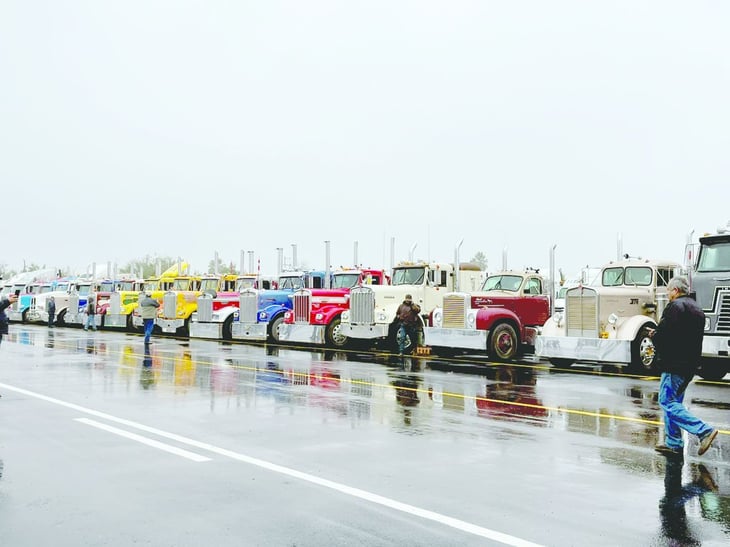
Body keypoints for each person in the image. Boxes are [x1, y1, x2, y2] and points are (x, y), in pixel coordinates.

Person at [650, 276, 718, 458]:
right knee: (675, 403)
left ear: (675, 291)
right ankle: (674, 443)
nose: (667, 294)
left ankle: (704, 431)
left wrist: (654, 334)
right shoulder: (697, 309)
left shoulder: (674, 307)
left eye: (668, 291)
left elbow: (664, 335)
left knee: (667, 402)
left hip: (673, 364)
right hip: (689, 365)